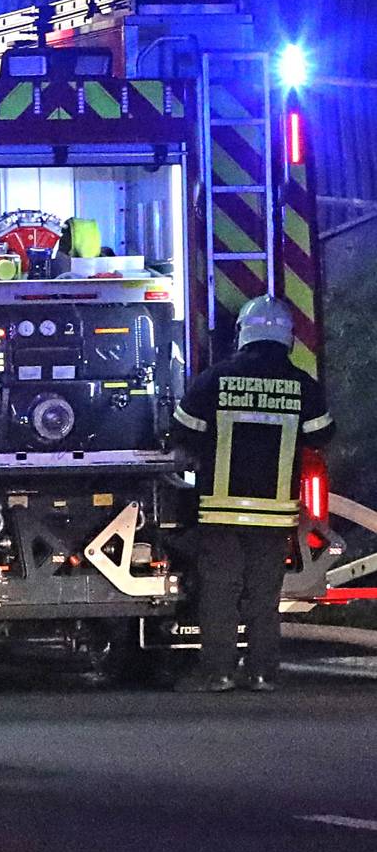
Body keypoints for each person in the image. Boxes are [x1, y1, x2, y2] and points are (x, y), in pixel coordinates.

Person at [171, 294, 331, 692]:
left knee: (220, 593)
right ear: (288, 339)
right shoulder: (301, 385)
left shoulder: (216, 379)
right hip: (274, 514)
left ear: (242, 334)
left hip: (221, 511)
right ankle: (262, 673)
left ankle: (218, 672)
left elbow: (181, 431)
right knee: (264, 596)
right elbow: (322, 434)